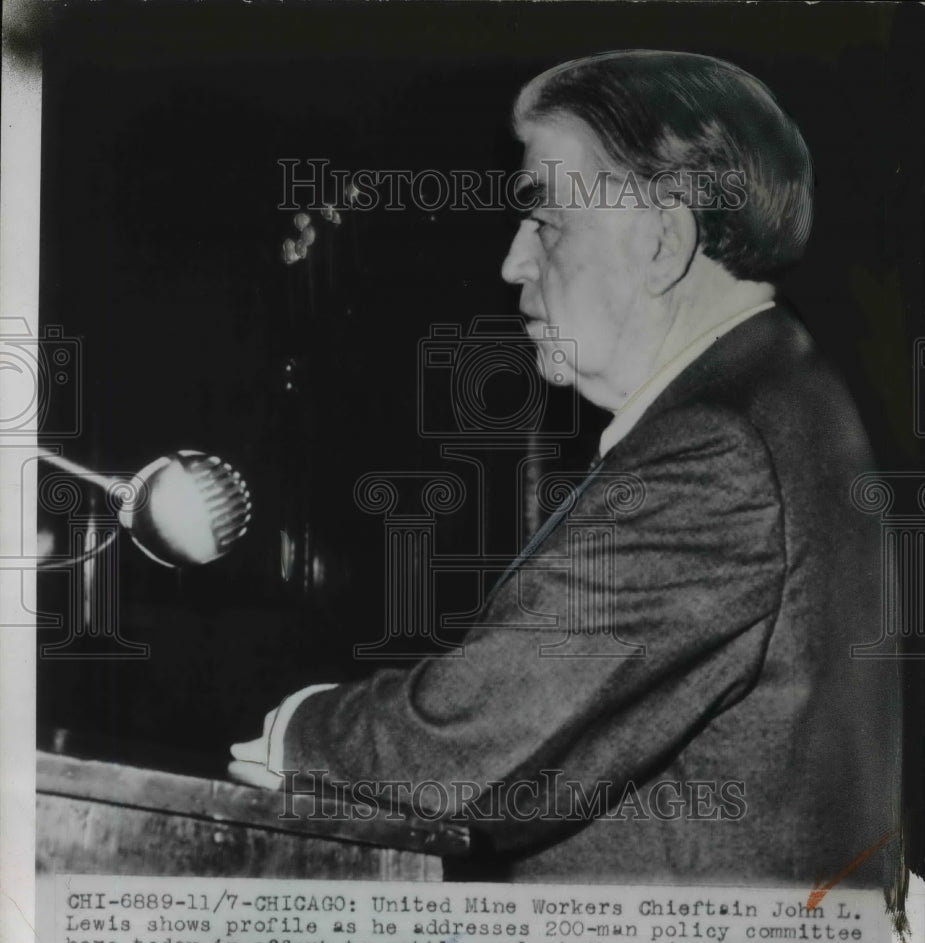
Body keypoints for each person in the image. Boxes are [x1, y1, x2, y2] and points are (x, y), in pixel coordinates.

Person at [230, 50, 901, 887]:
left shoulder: (720, 449)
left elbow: (465, 752)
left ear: (662, 241)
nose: (513, 262)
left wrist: (295, 730)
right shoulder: (784, 395)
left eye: (545, 221)